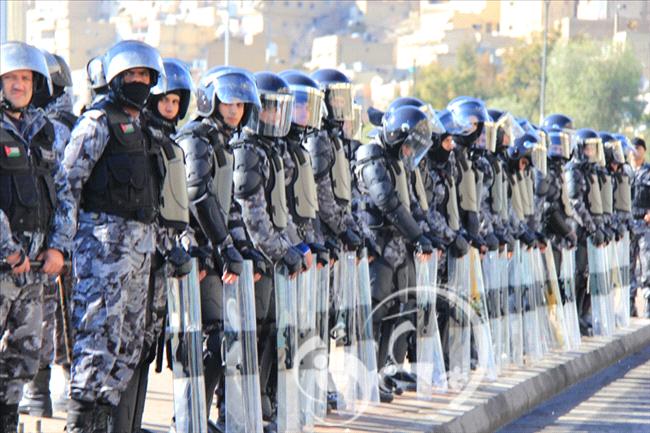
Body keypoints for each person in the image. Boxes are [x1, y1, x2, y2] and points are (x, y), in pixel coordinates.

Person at [61, 39, 166, 432]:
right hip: (102, 252)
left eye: (144, 75)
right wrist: (63, 246)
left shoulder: (144, 128)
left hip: (140, 253)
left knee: (128, 344)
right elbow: (67, 184)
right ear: (116, 78)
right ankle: (79, 424)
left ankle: (104, 423)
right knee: (96, 341)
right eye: (131, 75)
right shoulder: (97, 122)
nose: (138, 81)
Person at [108, 57, 194, 433]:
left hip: (160, 263)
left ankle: (134, 422)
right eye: (164, 100)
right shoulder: (138, 138)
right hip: (134, 260)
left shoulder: (167, 143)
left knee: (146, 346)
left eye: (175, 101)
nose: (169, 107)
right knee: (125, 349)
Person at [175, 65, 263, 428]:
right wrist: (225, 246)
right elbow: (197, 196)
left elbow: (228, 207)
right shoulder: (196, 138)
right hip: (191, 251)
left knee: (218, 340)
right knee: (198, 341)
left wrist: (244, 247)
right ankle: (186, 419)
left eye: (240, 105)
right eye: (228, 102)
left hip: (212, 252)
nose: (234, 110)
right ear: (210, 101)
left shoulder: (222, 143)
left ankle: (197, 417)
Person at [0, 40, 76, 432]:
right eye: (11, 77)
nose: (19, 85)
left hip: (34, 272)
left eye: (26, 78)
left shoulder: (43, 131)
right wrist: (9, 251)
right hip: (5, 266)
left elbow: (64, 194)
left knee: (23, 360)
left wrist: (59, 247)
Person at [232, 71, 311, 427]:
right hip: (255, 258)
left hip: (273, 258)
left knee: (271, 329)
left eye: (278, 109)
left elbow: (282, 212)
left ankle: (263, 398)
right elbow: (254, 219)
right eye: (267, 108)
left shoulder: (272, 151)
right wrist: (284, 252)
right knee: (251, 331)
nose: (273, 116)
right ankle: (239, 406)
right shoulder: (247, 151)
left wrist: (299, 246)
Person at [354, 105, 434, 402]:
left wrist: (423, 234)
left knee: (399, 309)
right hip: (376, 246)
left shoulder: (397, 161)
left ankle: (385, 375)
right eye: (408, 145)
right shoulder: (371, 155)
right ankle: (364, 380)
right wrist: (417, 235)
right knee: (374, 314)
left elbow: (409, 203)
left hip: (398, 247)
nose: (410, 151)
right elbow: (385, 200)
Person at [565, 128, 608, 333]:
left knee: (585, 276)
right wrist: (592, 228)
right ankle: (573, 316)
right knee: (577, 274)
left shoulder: (590, 171)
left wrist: (599, 228)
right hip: (578, 231)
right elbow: (576, 204)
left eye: (593, 148)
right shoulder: (573, 171)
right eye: (588, 148)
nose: (591, 152)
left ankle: (582, 313)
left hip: (587, 232)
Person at [631, 137, 650, 317]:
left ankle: (648, 303)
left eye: (638, 148)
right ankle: (630, 305)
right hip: (629, 224)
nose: (635, 151)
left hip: (645, 224)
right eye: (633, 148)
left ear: (644, 150)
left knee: (646, 264)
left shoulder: (648, 172)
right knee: (628, 264)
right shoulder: (626, 171)